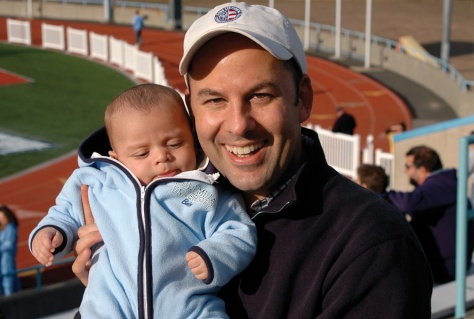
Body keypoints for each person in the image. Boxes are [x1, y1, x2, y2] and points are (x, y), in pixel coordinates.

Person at [73, 3, 433, 317]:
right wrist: (115, 289)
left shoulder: (371, 245)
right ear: (190, 109)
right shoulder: (155, 206)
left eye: (260, 95)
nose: (238, 124)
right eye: (214, 100)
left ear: (302, 99)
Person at [29, 84, 257, 318]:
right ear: (116, 157)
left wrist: (214, 255)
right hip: (106, 310)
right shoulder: (99, 182)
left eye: (175, 143)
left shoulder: (201, 189)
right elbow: (65, 212)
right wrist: (51, 232)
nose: (162, 157)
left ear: (192, 136)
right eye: (141, 153)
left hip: (190, 310)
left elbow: (237, 231)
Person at [388, 145, 474, 284]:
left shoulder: (440, 186)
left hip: (446, 268)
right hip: (450, 263)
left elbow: (409, 204)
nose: (405, 171)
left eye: (408, 166)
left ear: (422, 169)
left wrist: (383, 197)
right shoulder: (445, 182)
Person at [0, 205, 21, 296]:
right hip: (3, 257)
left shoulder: (10, 228)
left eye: (3, 217)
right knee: (12, 279)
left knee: (7, 279)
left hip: (7, 257)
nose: (1, 219)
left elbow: (9, 244)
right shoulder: (3, 228)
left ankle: (9, 300)